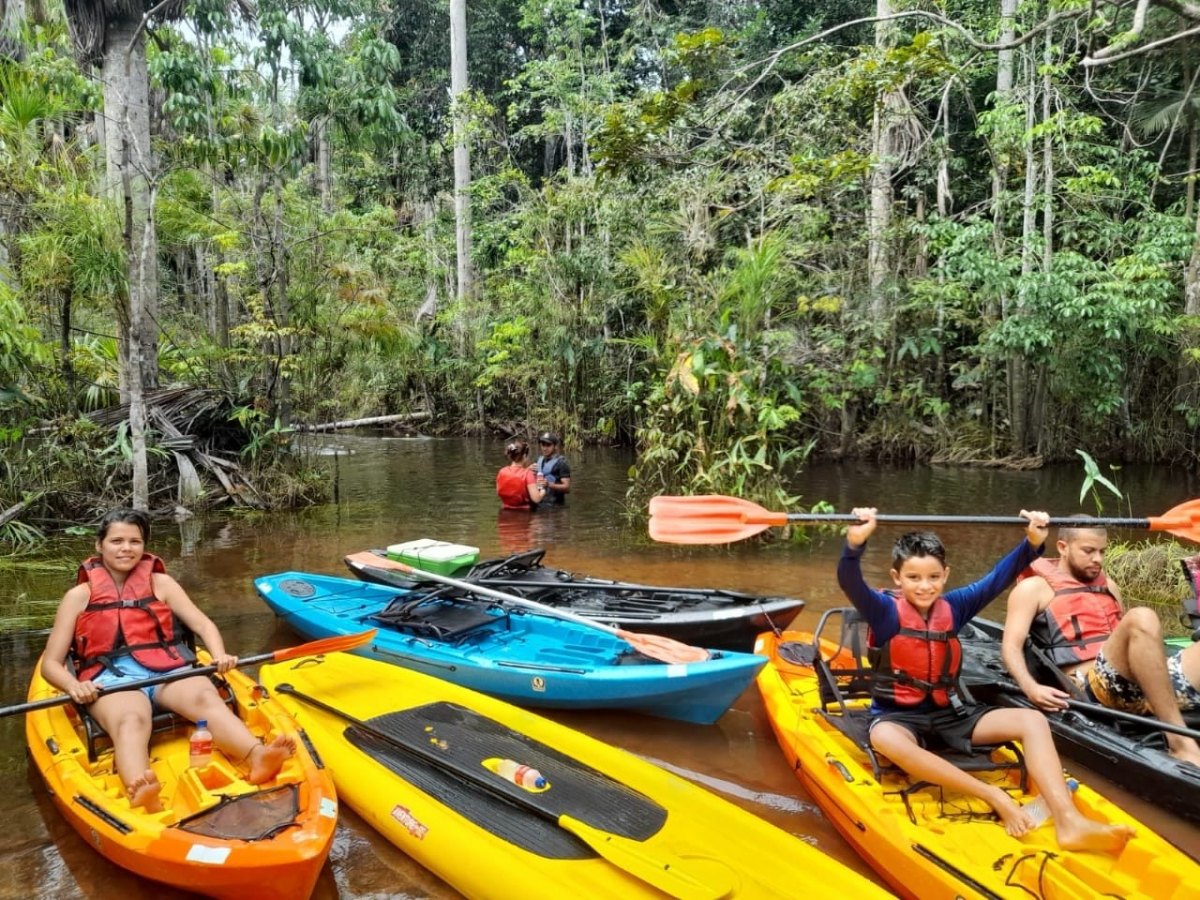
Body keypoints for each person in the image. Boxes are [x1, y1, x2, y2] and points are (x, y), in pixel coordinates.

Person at [839, 507, 1132, 853]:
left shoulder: (956, 606)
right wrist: (855, 544)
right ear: (897, 577)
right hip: (898, 718)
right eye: (914, 578)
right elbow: (850, 581)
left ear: (945, 575)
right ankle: (992, 795)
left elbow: (997, 578)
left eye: (933, 577)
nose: (925, 586)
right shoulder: (883, 611)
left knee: (1032, 720)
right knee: (886, 737)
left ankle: (1069, 822)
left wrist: (1032, 541)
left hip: (951, 715)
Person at [41, 508, 295, 811]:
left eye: (135, 542)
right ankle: (143, 791)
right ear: (100, 545)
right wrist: (73, 685)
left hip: (166, 670)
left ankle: (256, 756)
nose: (126, 548)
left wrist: (218, 654)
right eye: (117, 541)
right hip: (110, 680)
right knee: (131, 719)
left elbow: (203, 625)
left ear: (144, 546)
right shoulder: (79, 596)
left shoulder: (162, 584)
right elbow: (50, 665)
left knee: (204, 696)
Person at [1002, 519, 1200, 768]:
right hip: (1092, 687)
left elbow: (1135, 645)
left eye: (1102, 551)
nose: (1098, 559)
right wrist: (1031, 688)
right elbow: (1010, 646)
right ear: (1063, 547)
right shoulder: (1033, 589)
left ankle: (1166, 708)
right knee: (1142, 616)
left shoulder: (1110, 587)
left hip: (1136, 683)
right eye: (1088, 551)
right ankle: (1180, 743)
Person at [496, 439, 547, 510]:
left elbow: (499, 491)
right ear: (524, 456)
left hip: (504, 513)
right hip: (524, 514)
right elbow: (536, 499)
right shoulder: (528, 474)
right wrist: (543, 490)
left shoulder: (502, 472)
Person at [533, 432, 571, 504]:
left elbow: (567, 488)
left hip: (555, 505)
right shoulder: (538, 460)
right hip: (539, 502)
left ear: (555, 446)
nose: (545, 448)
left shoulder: (561, 463)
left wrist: (549, 485)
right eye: (543, 445)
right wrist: (528, 470)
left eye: (548, 445)